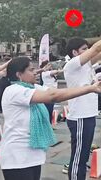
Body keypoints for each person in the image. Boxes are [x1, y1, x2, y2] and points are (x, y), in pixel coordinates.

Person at [0, 57, 101, 180]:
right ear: (19, 75)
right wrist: (90, 88)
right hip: (17, 156)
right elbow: (53, 96)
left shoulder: (32, 87)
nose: (36, 72)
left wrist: (90, 87)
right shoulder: (14, 90)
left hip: (32, 154)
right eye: (31, 70)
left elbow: (56, 92)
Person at [63, 38, 101, 180]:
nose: (88, 51)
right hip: (80, 117)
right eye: (84, 49)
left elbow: (98, 52)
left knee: (83, 157)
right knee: (78, 159)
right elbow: (96, 49)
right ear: (74, 52)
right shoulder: (72, 64)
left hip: (89, 116)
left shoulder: (86, 65)